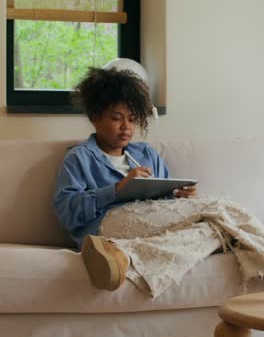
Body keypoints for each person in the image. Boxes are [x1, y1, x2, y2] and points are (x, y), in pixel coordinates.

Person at [53, 67, 197, 293]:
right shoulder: (79, 158)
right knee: (214, 214)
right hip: (107, 227)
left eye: (132, 119)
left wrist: (178, 195)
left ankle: (123, 256)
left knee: (209, 220)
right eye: (116, 118)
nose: (126, 127)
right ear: (95, 118)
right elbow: (67, 213)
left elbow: (169, 205)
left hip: (152, 226)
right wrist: (117, 189)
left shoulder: (147, 154)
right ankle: (108, 252)